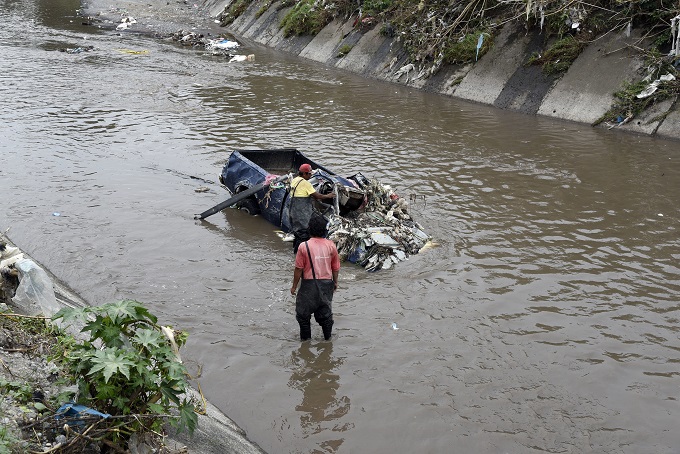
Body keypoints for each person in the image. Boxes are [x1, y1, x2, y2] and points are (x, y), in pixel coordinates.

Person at [290, 215, 340, 341]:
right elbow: (335, 267)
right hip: (327, 285)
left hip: (308, 286)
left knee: (303, 316)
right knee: (326, 315)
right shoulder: (331, 245)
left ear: (309, 229)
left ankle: (305, 345)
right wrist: (335, 282)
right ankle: (328, 341)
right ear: (325, 230)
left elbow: (298, 269)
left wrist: (294, 286)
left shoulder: (303, 246)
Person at [289, 163, 335, 254]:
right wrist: (328, 196)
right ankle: (299, 254)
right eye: (309, 174)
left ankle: (296, 251)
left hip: (293, 211)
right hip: (302, 213)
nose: (311, 176)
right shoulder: (306, 184)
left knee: (297, 233)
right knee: (303, 234)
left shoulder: (295, 180)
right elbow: (317, 196)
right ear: (305, 174)